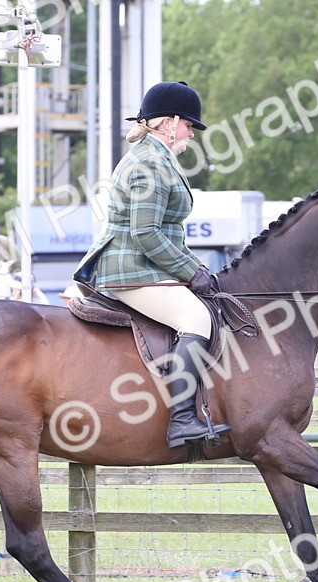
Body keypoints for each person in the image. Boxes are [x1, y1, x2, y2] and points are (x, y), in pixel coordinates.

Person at [73, 80, 231, 449]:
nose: (191, 133)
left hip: (146, 265)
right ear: (169, 122)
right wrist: (191, 272)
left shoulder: (157, 158)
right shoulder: (149, 163)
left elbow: (167, 235)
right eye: (188, 125)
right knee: (197, 319)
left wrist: (198, 269)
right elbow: (145, 233)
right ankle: (182, 420)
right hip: (130, 268)